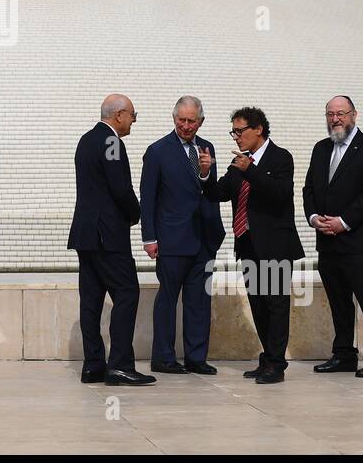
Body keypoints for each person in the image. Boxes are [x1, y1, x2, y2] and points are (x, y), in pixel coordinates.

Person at [201, 106, 304, 384]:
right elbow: (219, 194)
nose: (236, 137)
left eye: (240, 130)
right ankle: (267, 358)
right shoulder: (239, 162)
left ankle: (277, 364)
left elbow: (280, 195)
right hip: (247, 243)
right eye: (233, 131)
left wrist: (252, 171)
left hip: (276, 245)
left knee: (277, 304)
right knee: (258, 304)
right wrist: (205, 174)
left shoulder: (281, 157)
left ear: (258, 129)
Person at [303, 95, 363, 377]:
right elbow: (309, 188)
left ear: (354, 115)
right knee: (338, 300)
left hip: (357, 241)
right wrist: (314, 217)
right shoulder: (321, 149)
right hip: (327, 240)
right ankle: (344, 354)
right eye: (330, 114)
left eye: (341, 113)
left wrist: (344, 222)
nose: (335, 119)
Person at [67, 94, 155, 386]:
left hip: (85, 235)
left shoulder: (85, 140)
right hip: (108, 236)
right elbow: (120, 188)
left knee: (91, 300)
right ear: (118, 115)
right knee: (128, 293)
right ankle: (119, 365)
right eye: (132, 115)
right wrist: (136, 213)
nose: (133, 120)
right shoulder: (112, 143)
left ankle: (93, 365)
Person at [140, 95, 224, 374]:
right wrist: (149, 238)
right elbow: (148, 198)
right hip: (172, 239)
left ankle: (196, 357)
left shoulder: (207, 148)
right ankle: (163, 357)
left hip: (204, 238)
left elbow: (211, 190)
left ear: (201, 121)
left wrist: (205, 173)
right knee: (168, 299)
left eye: (192, 121)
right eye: (182, 120)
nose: (187, 126)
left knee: (199, 301)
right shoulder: (157, 151)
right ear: (174, 118)